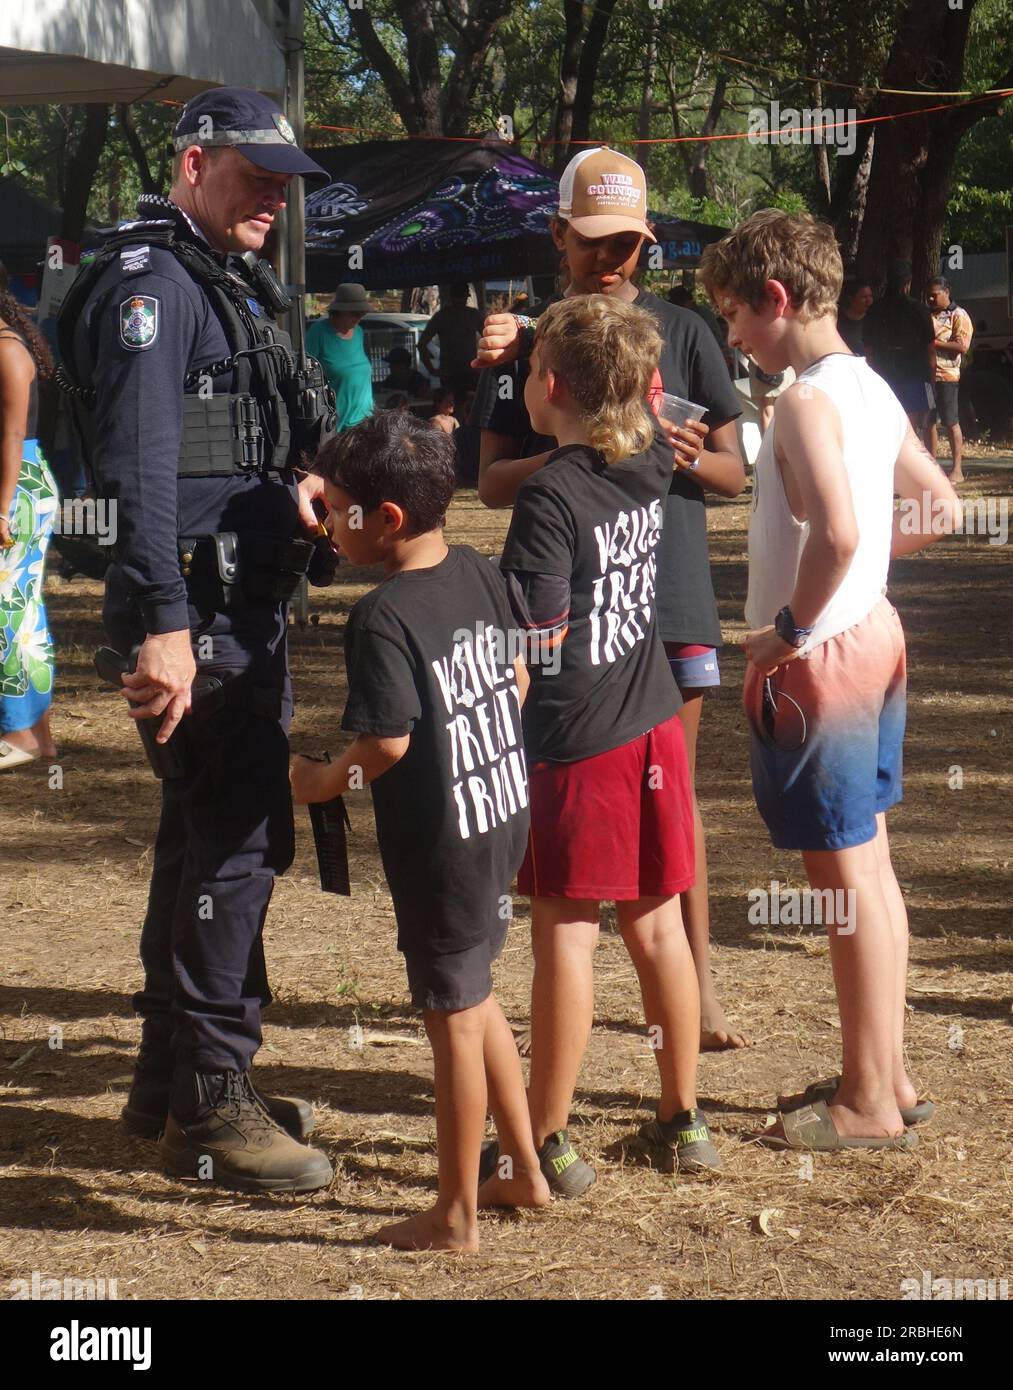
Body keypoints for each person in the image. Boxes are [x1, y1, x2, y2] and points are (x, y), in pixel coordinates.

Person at [58, 87, 338, 1192]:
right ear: (190, 166)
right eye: (252, 172)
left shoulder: (215, 277)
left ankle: (172, 1075)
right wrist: (167, 627)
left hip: (236, 606)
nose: (273, 193)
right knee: (236, 841)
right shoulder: (154, 287)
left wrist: (300, 479)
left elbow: (230, 437)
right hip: (197, 614)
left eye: (282, 179)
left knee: (198, 838)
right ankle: (213, 1103)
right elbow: (138, 469)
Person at [471, 146, 749, 1052]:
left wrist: (679, 456)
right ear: (557, 235)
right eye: (593, 241)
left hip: (668, 599)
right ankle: (594, 988)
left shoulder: (688, 330)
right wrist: (576, 454)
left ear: (649, 239)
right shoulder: (530, 348)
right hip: (575, 616)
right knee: (575, 822)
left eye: (628, 242)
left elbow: (732, 477)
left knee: (672, 801)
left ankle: (692, 997)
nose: (613, 260)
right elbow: (488, 484)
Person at [700, 209, 960, 1150]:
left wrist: (786, 630)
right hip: (872, 638)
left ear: (775, 299)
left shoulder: (804, 400)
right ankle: (884, 1071)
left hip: (822, 660)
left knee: (842, 880)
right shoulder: (870, 387)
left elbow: (842, 533)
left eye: (734, 314)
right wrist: (852, 592)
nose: (729, 336)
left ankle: (865, 1101)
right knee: (870, 866)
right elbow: (935, 505)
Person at [291, 411, 549, 1250]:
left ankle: (454, 1214)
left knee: (451, 1028)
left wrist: (323, 780)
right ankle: (524, 1169)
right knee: (477, 996)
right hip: (500, 816)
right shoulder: (476, 567)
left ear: (386, 521)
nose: (329, 522)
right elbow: (514, 675)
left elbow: (388, 744)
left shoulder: (382, 619)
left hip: (442, 849)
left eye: (337, 510)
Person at [498, 295, 722, 1190]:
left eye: (527, 368)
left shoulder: (550, 491)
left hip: (575, 739)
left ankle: (546, 1139)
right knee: (658, 927)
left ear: (549, 386)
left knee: (564, 936)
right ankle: (682, 1118)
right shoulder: (650, 464)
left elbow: (539, 640)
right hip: (653, 723)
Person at [0, 261, 59, 771]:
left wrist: (1, 509)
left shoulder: (8, 353)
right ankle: (40, 736)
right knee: (21, 606)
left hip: (17, 488)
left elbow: (12, 438)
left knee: (10, 609)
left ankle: (19, 734)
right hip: (17, 485)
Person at [864, 260, 936, 434]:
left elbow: (868, 350)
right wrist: (932, 380)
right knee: (914, 427)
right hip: (915, 374)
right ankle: (923, 460)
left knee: (887, 426)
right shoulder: (919, 309)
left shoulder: (875, 310)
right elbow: (930, 349)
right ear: (907, 283)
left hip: (884, 374)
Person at [306, 284, 374, 429]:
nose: (359, 317)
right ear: (339, 311)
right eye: (354, 313)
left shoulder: (359, 332)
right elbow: (305, 376)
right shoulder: (318, 333)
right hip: (337, 425)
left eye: (361, 312)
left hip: (365, 422)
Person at [926, 276, 973, 484]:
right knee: (928, 423)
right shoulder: (927, 315)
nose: (930, 299)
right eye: (928, 295)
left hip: (947, 376)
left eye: (935, 295)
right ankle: (932, 468)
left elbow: (961, 346)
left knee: (951, 422)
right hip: (927, 377)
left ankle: (957, 469)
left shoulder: (959, 315)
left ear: (947, 292)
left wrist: (932, 343)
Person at [418, 282, 483, 397]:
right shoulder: (441, 317)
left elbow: (489, 338)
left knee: (472, 406)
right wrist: (432, 370)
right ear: (451, 297)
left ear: (466, 298)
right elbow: (421, 344)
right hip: (449, 374)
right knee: (452, 406)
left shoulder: (473, 315)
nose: (460, 300)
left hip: (471, 372)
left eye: (462, 297)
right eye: (457, 297)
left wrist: (484, 364)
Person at [747, 355, 796, 435]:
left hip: (771, 362)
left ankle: (772, 446)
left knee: (769, 412)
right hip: (770, 363)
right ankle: (773, 445)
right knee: (770, 412)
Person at [836, 276, 873, 355]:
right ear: (851, 299)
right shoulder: (836, 319)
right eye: (864, 297)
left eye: (870, 296)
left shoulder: (872, 321)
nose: (869, 301)